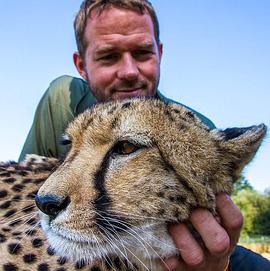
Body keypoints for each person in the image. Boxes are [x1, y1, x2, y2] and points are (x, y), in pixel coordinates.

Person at [19, 1, 270, 270]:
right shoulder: (62, 98)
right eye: (108, 56)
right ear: (81, 65)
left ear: (159, 54)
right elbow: (26, 186)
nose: (129, 71)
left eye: (142, 53)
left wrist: (220, 266)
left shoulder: (196, 133)